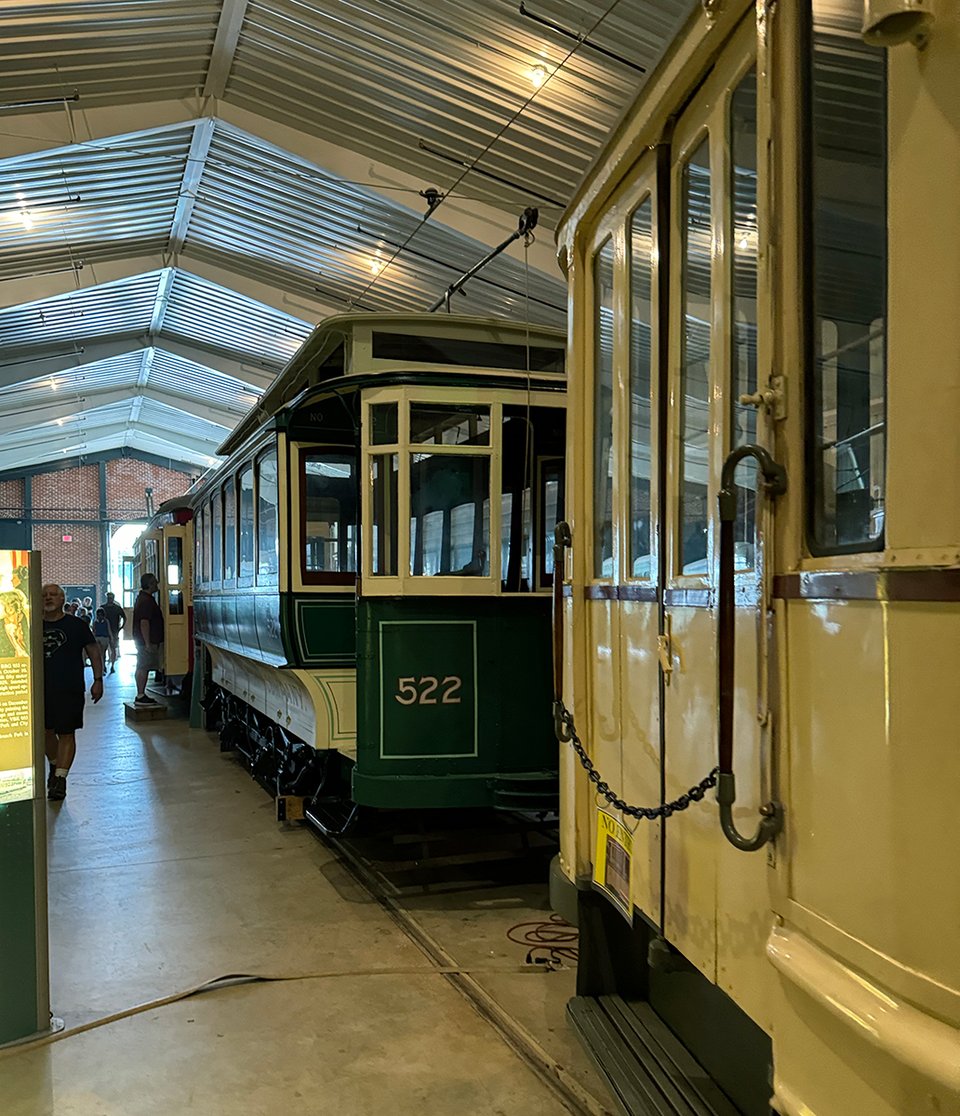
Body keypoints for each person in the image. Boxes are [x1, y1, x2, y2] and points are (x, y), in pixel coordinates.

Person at [42, 583, 103, 801]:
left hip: (70, 688)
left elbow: (94, 652)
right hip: (41, 691)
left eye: (53, 595)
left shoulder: (77, 625)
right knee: (45, 732)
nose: (48, 598)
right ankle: (55, 764)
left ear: (62, 600)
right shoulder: (31, 625)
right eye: (44, 595)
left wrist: (98, 680)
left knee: (67, 732)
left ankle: (60, 779)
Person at [133, 573, 163, 705]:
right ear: (150, 584)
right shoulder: (146, 601)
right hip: (146, 641)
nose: (157, 584)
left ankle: (141, 693)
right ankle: (140, 695)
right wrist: (148, 643)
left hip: (143, 640)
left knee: (142, 666)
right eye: (155, 582)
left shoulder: (143, 599)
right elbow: (144, 622)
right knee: (143, 666)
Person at [101, 591, 126, 673]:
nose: (110, 599)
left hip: (114, 630)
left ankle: (112, 665)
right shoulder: (104, 608)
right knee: (104, 650)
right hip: (106, 631)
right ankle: (105, 665)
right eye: (109, 598)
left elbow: (124, 618)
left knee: (113, 649)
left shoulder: (116, 608)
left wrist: (121, 627)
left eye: (111, 598)